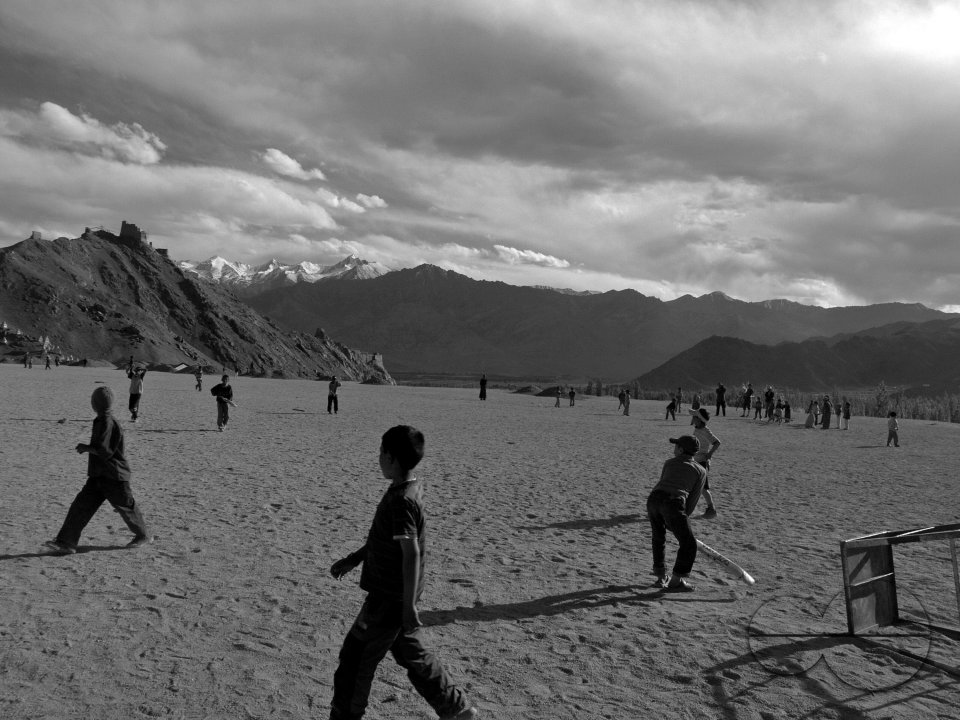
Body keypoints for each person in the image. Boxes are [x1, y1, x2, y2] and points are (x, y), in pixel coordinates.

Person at [328, 425, 478, 720]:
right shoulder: (406, 488)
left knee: (355, 659)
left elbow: (411, 553)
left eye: (381, 453)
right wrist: (355, 559)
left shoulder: (402, 501)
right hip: (394, 596)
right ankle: (456, 708)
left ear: (393, 458)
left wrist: (408, 606)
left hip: (389, 598)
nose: (378, 458)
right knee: (411, 652)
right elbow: (384, 540)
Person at [44, 386, 149, 554]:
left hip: (114, 476)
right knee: (81, 506)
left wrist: (86, 448)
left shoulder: (107, 422)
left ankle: (143, 535)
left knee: (127, 507)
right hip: (99, 475)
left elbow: (104, 450)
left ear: (95, 404)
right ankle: (66, 542)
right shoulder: (101, 420)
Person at [646, 435, 707, 592]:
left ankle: (660, 577)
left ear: (680, 450)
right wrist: (682, 517)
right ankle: (676, 581)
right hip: (674, 503)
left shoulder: (669, 463)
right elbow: (693, 498)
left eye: (676, 446)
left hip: (654, 499)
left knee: (658, 537)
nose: (673, 448)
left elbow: (662, 482)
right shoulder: (700, 470)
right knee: (688, 544)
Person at [688, 408, 721, 519]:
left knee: (703, 487)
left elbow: (717, 443)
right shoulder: (697, 428)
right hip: (695, 461)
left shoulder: (705, 431)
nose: (692, 418)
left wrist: (710, 454)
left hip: (702, 462)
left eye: (694, 416)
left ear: (699, 419)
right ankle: (686, 507)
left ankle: (711, 509)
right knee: (693, 485)